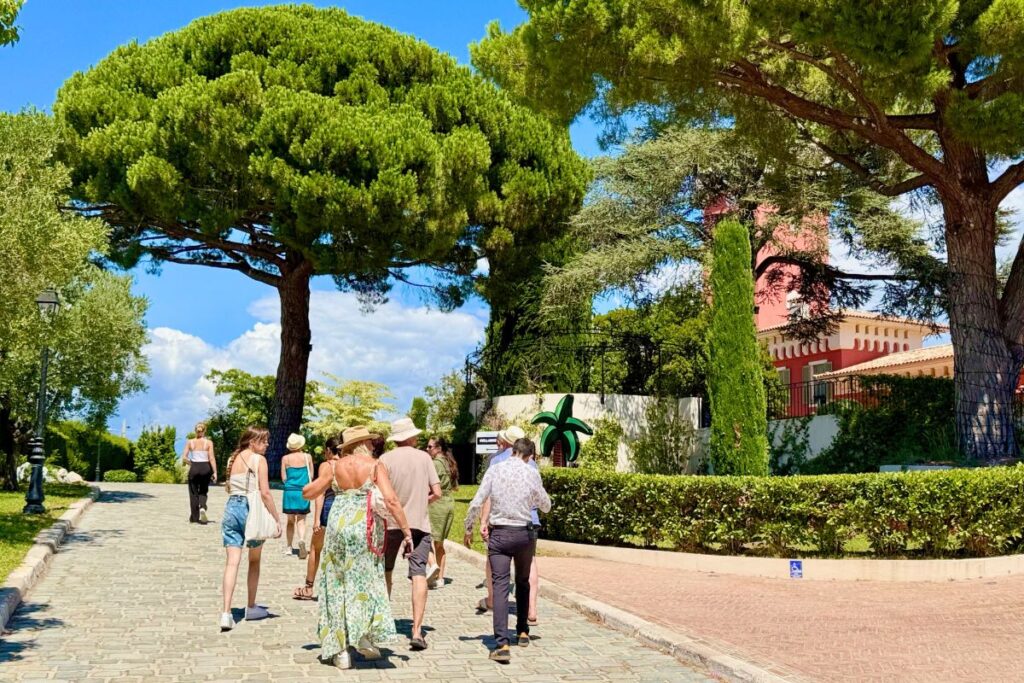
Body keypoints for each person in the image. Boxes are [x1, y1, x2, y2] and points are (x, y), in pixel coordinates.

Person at [302, 426, 413, 670]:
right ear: (363, 444)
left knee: (336, 584)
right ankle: (363, 636)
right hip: (365, 527)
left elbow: (308, 493)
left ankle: (340, 651)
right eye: (370, 442)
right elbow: (391, 499)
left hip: (337, 527)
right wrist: (406, 531)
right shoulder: (374, 466)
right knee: (366, 581)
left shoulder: (333, 467)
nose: (373, 445)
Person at [464, 437, 551, 663]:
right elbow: (545, 505)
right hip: (523, 534)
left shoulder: (495, 469)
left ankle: (502, 643)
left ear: (513, 451)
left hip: (500, 534)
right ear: (530, 456)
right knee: (522, 581)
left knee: (501, 586)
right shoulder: (531, 472)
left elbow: (478, 500)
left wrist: (468, 527)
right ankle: (522, 630)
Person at [379, 417, 442, 651]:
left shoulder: (385, 460)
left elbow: (381, 494)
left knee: (386, 570)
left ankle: (383, 621)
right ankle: (417, 630)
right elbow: (437, 492)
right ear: (411, 437)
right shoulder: (424, 458)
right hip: (419, 524)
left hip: (391, 523)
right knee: (419, 574)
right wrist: (421, 502)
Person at [475, 425, 543, 626]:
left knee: (495, 562)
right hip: (529, 520)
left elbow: (488, 495)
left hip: (502, 521)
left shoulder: (497, 461)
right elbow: (539, 494)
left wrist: (483, 520)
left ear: (507, 442)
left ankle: (492, 600)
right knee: (530, 563)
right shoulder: (532, 463)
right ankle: (531, 609)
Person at [219, 426, 281, 632]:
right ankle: (251, 606)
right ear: (252, 442)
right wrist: (276, 518)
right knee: (254, 560)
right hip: (250, 510)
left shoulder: (232, 458)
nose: (267, 444)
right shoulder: (259, 460)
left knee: (232, 562)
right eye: (264, 441)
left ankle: (226, 612)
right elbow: (265, 493)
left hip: (231, 508)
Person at [293, 436, 341, 601]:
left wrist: (316, 520)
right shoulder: (347, 464)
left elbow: (320, 493)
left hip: (329, 506)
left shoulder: (326, 466)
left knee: (315, 548)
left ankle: (309, 587)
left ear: (328, 450)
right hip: (344, 508)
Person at [425, 436, 458, 588]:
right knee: (440, 544)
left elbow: (428, 485)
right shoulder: (449, 462)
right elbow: (454, 487)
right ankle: (440, 578)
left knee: (425, 538)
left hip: (436, 504)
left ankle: (433, 566)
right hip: (448, 503)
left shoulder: (434, 464)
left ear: (438, 448)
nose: (427, 449)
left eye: (430, 447)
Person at [280, 433, 313, 559]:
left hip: (289, 492)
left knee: (290, 521)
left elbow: (284, 478)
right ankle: (302, 540)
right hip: (303, 491)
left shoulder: (285, 459)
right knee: (301, 520)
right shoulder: (307, 457)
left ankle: (289, 547)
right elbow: (311, 475)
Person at [181, 422, 217, 524]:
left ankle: (194, 517)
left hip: (194, 467)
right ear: (205, 431)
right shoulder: (209, 443)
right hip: (205, 467)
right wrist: (215, 472)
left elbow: (184, 457)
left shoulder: (190, 442)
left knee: (193, 493)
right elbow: (211, 458)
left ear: (195, 431)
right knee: (203, 490)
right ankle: (202, 507)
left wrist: (191, 463)